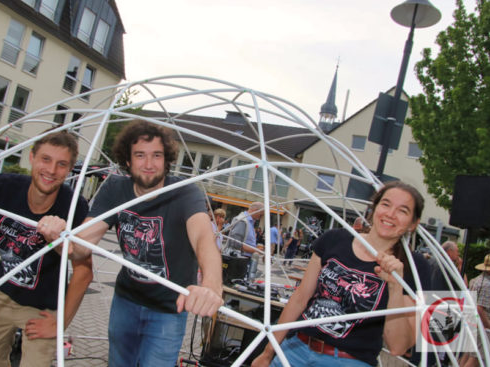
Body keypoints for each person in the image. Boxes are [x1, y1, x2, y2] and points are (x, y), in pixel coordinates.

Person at [69, 120, 223, 366]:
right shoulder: (115, 189)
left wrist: (212, 287)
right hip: (125, 301)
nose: (149, 164)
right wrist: (60, 239)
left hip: (168, 310)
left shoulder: (185, 192)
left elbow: (204, 237)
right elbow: (81, 245)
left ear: (167, 160)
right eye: (140, 155)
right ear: (127, 161)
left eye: (156, 155)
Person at [0, 130, 92, 367]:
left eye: (62, 164)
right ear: (31, 157)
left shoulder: (74, 207)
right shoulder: (4, 186)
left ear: (70, 169)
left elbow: (84, 270)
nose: (51, 171)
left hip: (44, 308)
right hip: (3, 294)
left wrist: (59, 323)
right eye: (45, 159)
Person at [252, 181, 431, 367]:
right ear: (374, 208)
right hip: (294, 350)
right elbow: (300, 298)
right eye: (385, 204)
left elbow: (398, 347)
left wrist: (395, 287)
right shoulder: (334, 239)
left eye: (403, 210)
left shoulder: (414, 267)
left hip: (348, 361)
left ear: (413, 224)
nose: (390, 214)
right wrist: (268, 352)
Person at [460, 255, 490, 367]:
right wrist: (488, 326)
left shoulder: (475, 280)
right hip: (481, 326)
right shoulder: (487, 285)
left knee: (469, 353)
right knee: (477, 358)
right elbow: (480, 308)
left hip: (471, 322)